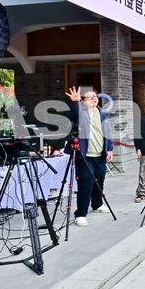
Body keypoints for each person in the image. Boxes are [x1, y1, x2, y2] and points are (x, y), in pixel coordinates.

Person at [65, 87, 113, 227]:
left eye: (95, 96)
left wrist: (109, 148)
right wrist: (74, 102)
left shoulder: (102, 113)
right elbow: (74, 114)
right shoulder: (81, 112)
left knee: (100, 179)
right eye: (89, 97)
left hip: (99, 154)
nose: (93, 99)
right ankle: (80, 214)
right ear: (83, 100)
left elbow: (107, 132)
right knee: (86, 182)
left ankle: (97, 204)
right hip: (84, 155)